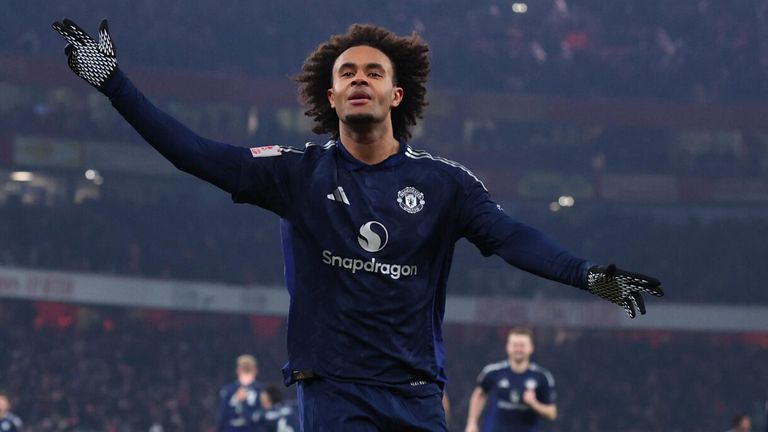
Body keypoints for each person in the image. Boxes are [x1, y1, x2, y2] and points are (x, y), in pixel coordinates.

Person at [52, 19, 664, 431]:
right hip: (335, 390)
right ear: (333, 95)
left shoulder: (445, 183)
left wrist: (594, 277)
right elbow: (194, 152)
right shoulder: (297, 173)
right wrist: (114, 82)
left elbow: (513, 239)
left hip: (417, 391)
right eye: (346, 73)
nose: (359, 79)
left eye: (373, 72)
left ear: (396, 95)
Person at [465, 328, 556, 432]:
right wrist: (472, 423)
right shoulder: (493, 372)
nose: (518, 349)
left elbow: (552, 413)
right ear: (507, 347)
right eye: (514, 345)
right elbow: (479, 395)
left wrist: (534, 403)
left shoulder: (541, 376)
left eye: (522, 345)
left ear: (531, 348)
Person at [217, 355, 263, 432]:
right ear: (255, 371)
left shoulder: (228, 390)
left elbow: (222, 418)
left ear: (237, 370)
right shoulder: (260, 390)